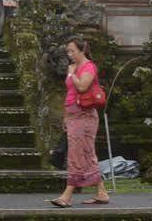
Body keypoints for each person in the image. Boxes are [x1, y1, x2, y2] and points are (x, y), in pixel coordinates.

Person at [47, 35, 110, 207]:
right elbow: (70, 94)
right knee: (87, 154)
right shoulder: (74, 67)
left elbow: (82, 86)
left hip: (85, 116)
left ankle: (67, 195)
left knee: (76, 154)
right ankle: (102, 193)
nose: (69, 54)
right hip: (73, 115)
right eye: (68, 51)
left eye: (72, 51)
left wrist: (72, 73)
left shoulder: (89, 67)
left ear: (82, 50)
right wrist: (66, 117)